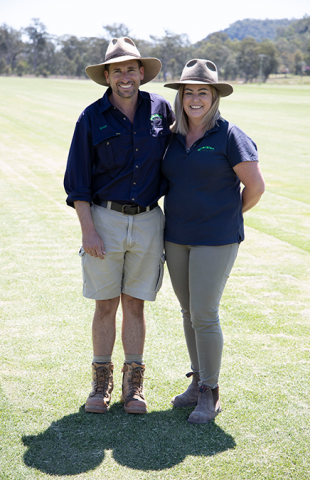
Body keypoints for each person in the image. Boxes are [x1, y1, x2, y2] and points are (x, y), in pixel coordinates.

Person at [64, 37, 174, 415]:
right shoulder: (91, 117)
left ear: (141, 73)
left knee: (136, 305)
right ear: (107, 76)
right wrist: (88, 230)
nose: (125, 76)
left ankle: (134, 386)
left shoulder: (162, 109)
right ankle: (100, 384)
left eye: (131, 69)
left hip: (148, 220)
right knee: (106, 304)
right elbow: (77, 181)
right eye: (117, 70)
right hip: (104, 220)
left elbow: (184, 156)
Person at [162, 59, 265, 424]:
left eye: (202, 92)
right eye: (188, 92)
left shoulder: (229, 135)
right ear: (181, 96)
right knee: (189, 312)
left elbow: (255, 187)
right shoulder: (172, 135)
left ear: (214, 96)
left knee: (205, 313)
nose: (194, 99)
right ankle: (197, 383)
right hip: (176, 238)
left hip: (216, 240)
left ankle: (211, 392)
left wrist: (228, 216)